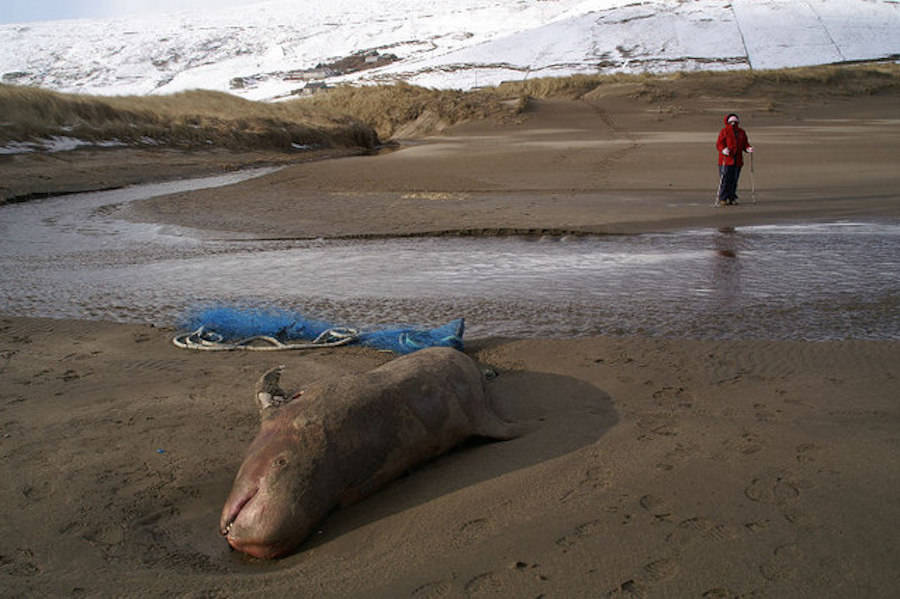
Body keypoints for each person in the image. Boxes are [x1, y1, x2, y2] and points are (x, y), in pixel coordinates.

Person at [716, 113, 753, 206]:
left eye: (735, 121)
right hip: (726, 160)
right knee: (725, 180)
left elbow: (745, 144)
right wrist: (723, 149)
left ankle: (732, 197)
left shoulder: (741, 132)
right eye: (731, 121)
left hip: (738, 161)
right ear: (728, 122)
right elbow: (719, 144)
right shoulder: (724, 131)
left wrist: (748, 148)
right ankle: (723, 198)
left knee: (734, 180)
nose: (733, 123)